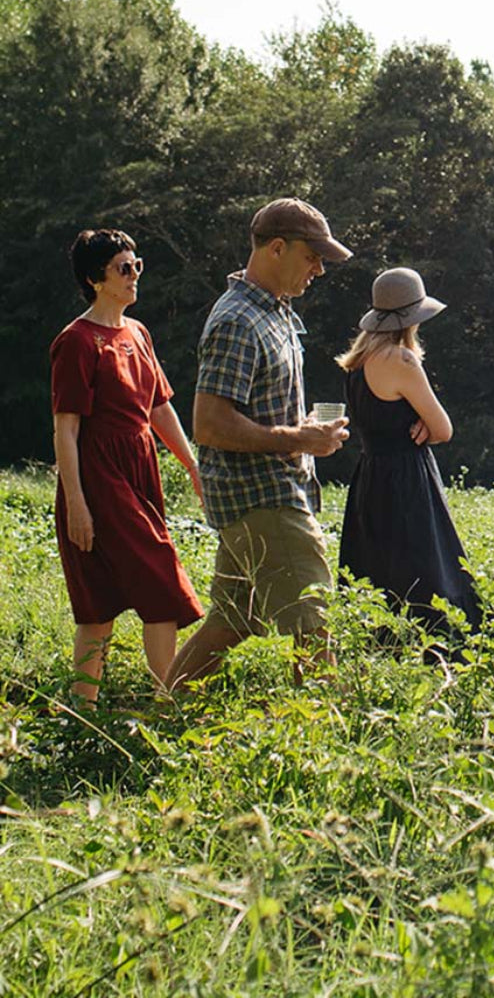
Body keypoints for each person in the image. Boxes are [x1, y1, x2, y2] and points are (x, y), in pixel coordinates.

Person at [167, 199, 351, 689]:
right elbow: (209, 423)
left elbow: (250, 411)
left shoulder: (274, 314)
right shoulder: (237, 321)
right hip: (261, 496)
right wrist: (298, 438)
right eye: (312, 257)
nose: (318, 270)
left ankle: (157, 709)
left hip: (262, 492)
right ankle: (324, 742)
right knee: (315, 622)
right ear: (276, 247)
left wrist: (305, 430)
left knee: (233, 619)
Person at [50, 229, 205, 701]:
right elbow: (67, 429)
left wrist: (193, 467)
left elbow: (159, 408)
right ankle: (168, 702)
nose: (134, 274)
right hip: (100, 477)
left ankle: (84, 712)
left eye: (137, 264)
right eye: (124, 267)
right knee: (159, 585)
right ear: (97, 279)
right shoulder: (76, 341)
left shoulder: (138, 333)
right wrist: (77, 503)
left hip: (140, 468)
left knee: (102, 605)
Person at [335, 267, 488, 653]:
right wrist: (422, 422)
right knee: (430, 572)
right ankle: (448, 656)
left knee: (380, 573)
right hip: (407, 480)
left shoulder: (355, 366)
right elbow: (444, 429)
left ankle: (384, 656)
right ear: (412, 319)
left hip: (370, 479)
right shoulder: (402, 361)